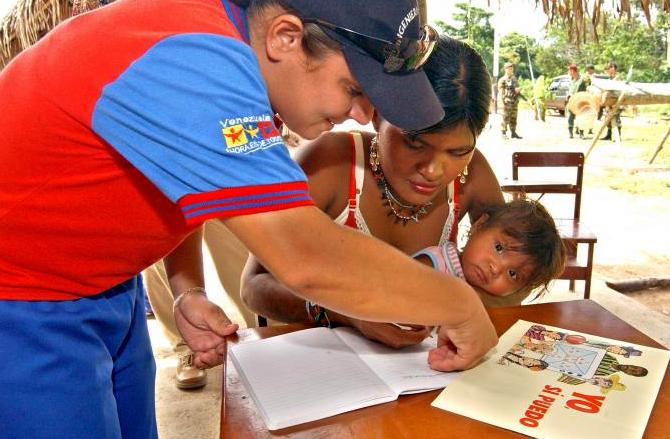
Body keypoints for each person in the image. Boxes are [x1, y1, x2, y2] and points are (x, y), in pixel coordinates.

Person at [0, 0, 498, 437]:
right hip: (23, 301)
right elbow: (305, 256)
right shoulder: (197, 62)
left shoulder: (224, 47)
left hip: (103, 285)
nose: (363, 114)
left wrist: (187, 289)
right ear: (286, 37)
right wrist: (460, 304)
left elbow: (177, 178)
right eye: (353, 88)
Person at [241, 34, 509, 350]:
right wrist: (348, 312)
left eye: (458, 151)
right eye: (415, 143)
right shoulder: (331, 163)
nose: (435, 170)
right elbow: (254, 285)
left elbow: (520, 265)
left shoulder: (473, 175)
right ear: (378, 114)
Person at [413, 199, 566, 301]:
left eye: (512, 273)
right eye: (499, 248)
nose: (496, 268)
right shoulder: (434, 264)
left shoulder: (489, 302)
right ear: (479, 225)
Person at [498, 61, 522, 139]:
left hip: (514, 101)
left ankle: (513, 132)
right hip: (506, 101)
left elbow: (516, 88)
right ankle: (503, 133)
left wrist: (518, 90)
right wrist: (502, 101)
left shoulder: (514, 79)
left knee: (514, 117)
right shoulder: (502, 80)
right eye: (509, 68)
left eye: (511, 68)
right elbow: (501, 91)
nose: (510, 70)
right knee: (505, 117)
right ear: (505, 69)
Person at [601, 61, 623, 141]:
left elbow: (619, 90)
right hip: (610, 101)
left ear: (613, 68)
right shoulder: (610, 78)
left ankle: (618, 136)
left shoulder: (618, 78)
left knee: (616, 118)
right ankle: (609, 135)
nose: (608, 70)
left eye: (609, 68)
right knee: (608, 118)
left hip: (617, 100)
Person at [566, 63, 588, 139]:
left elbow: (583, 91)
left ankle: (581, 133)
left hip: (579, 102)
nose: (568, 72)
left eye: (569, 71)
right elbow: (569, 90)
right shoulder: (571, 81)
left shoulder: (581, 80)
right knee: (570, 117)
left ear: (573, 71)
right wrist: (568, 95)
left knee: (580, 117)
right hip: (571, 101)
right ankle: (570, 133)